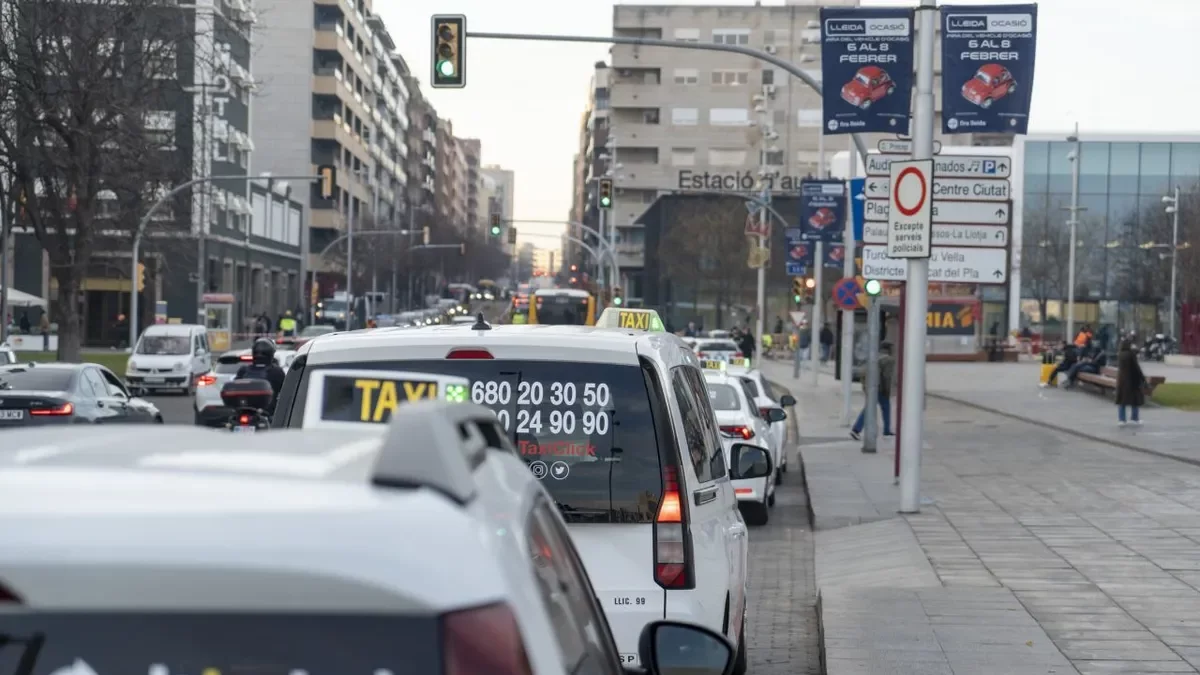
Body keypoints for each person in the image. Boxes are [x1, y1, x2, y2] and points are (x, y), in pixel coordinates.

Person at [850, 342, 895, 440]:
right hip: (879, 387)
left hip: (869, 386)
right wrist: (887, 391)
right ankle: (857, 429)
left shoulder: (873, 357)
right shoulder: (888, 360)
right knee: (882, 407)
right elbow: (887, 377)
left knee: (873, 407)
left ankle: (885, 430)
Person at [235, 338, 287, 414]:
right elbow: (285, 392)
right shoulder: (276, 371)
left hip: (245, 410)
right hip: (267, 412)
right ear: (271, 354)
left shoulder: (243, 370)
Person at [1115, 338, 1146, 426]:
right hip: (1132, 380)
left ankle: (1122, 419)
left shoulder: (1120, 354)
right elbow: (1136, 368)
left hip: (1122, 381)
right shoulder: (1131, 355)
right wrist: (1143, 379)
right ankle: (1134, 418)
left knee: (1122, 400)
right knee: (1135, 399)